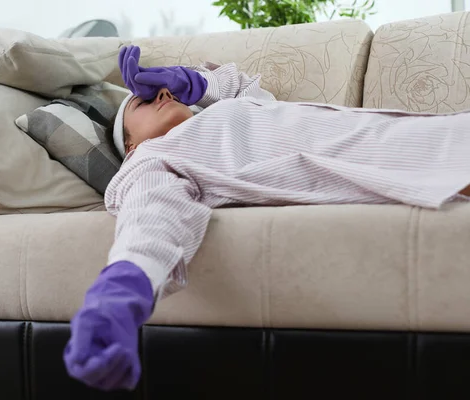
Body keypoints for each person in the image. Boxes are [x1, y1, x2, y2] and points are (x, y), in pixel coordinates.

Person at [63, 45, 470, 391]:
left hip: (409, 130)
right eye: (143, 101)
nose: (162, 94)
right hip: (398, 158)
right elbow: (151, 222)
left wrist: (195, 82)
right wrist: (116, 301)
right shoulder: (154, 159)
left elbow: (244, 88)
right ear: (130, 145)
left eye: (163, 90)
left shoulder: (229, 111)